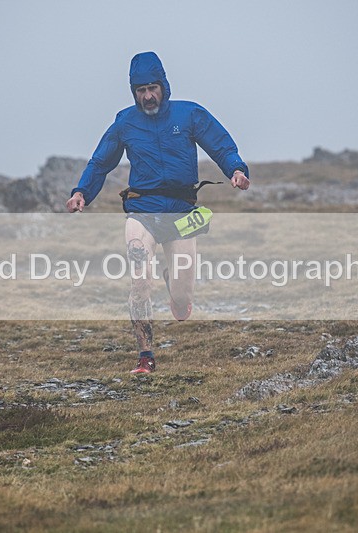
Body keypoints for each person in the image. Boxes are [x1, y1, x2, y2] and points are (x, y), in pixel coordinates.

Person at [66, 51, 250, 374]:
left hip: (180, 215)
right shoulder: (125, 122)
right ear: (133, 92)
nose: (148, 96)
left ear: (164, 86)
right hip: (142, 213)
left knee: (181, 305)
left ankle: (174, 287)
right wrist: (82, 192)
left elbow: (220, 145)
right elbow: (101, 162)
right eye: (141, 90)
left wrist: (235, 169)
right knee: (139, 277)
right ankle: (145, 356)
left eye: (153, 87)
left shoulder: (188, 114)